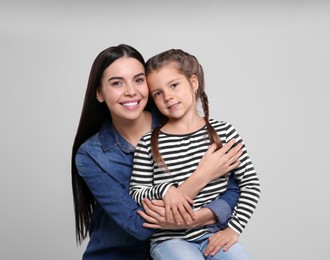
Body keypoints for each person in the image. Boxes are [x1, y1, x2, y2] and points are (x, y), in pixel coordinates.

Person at [71, 44, 245, 260]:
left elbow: (234, 186)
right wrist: (202, 176)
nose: (131, 91)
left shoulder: (176, 118)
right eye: (117, 83)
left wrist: (203, 217)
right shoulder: (90, 156)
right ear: (99, 93)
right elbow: (139, 225)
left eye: (138, 80)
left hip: (192, 246)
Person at [129, 49, 261, 260]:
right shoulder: (148, 142)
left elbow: (250, 184)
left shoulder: (224, 133)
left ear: (193, 82)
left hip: (213, 233)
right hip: (170, 240)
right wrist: (166, 190)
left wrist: (233, 230)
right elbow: (137, 191)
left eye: (174, 85)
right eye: (158, 93)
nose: (167, 96)